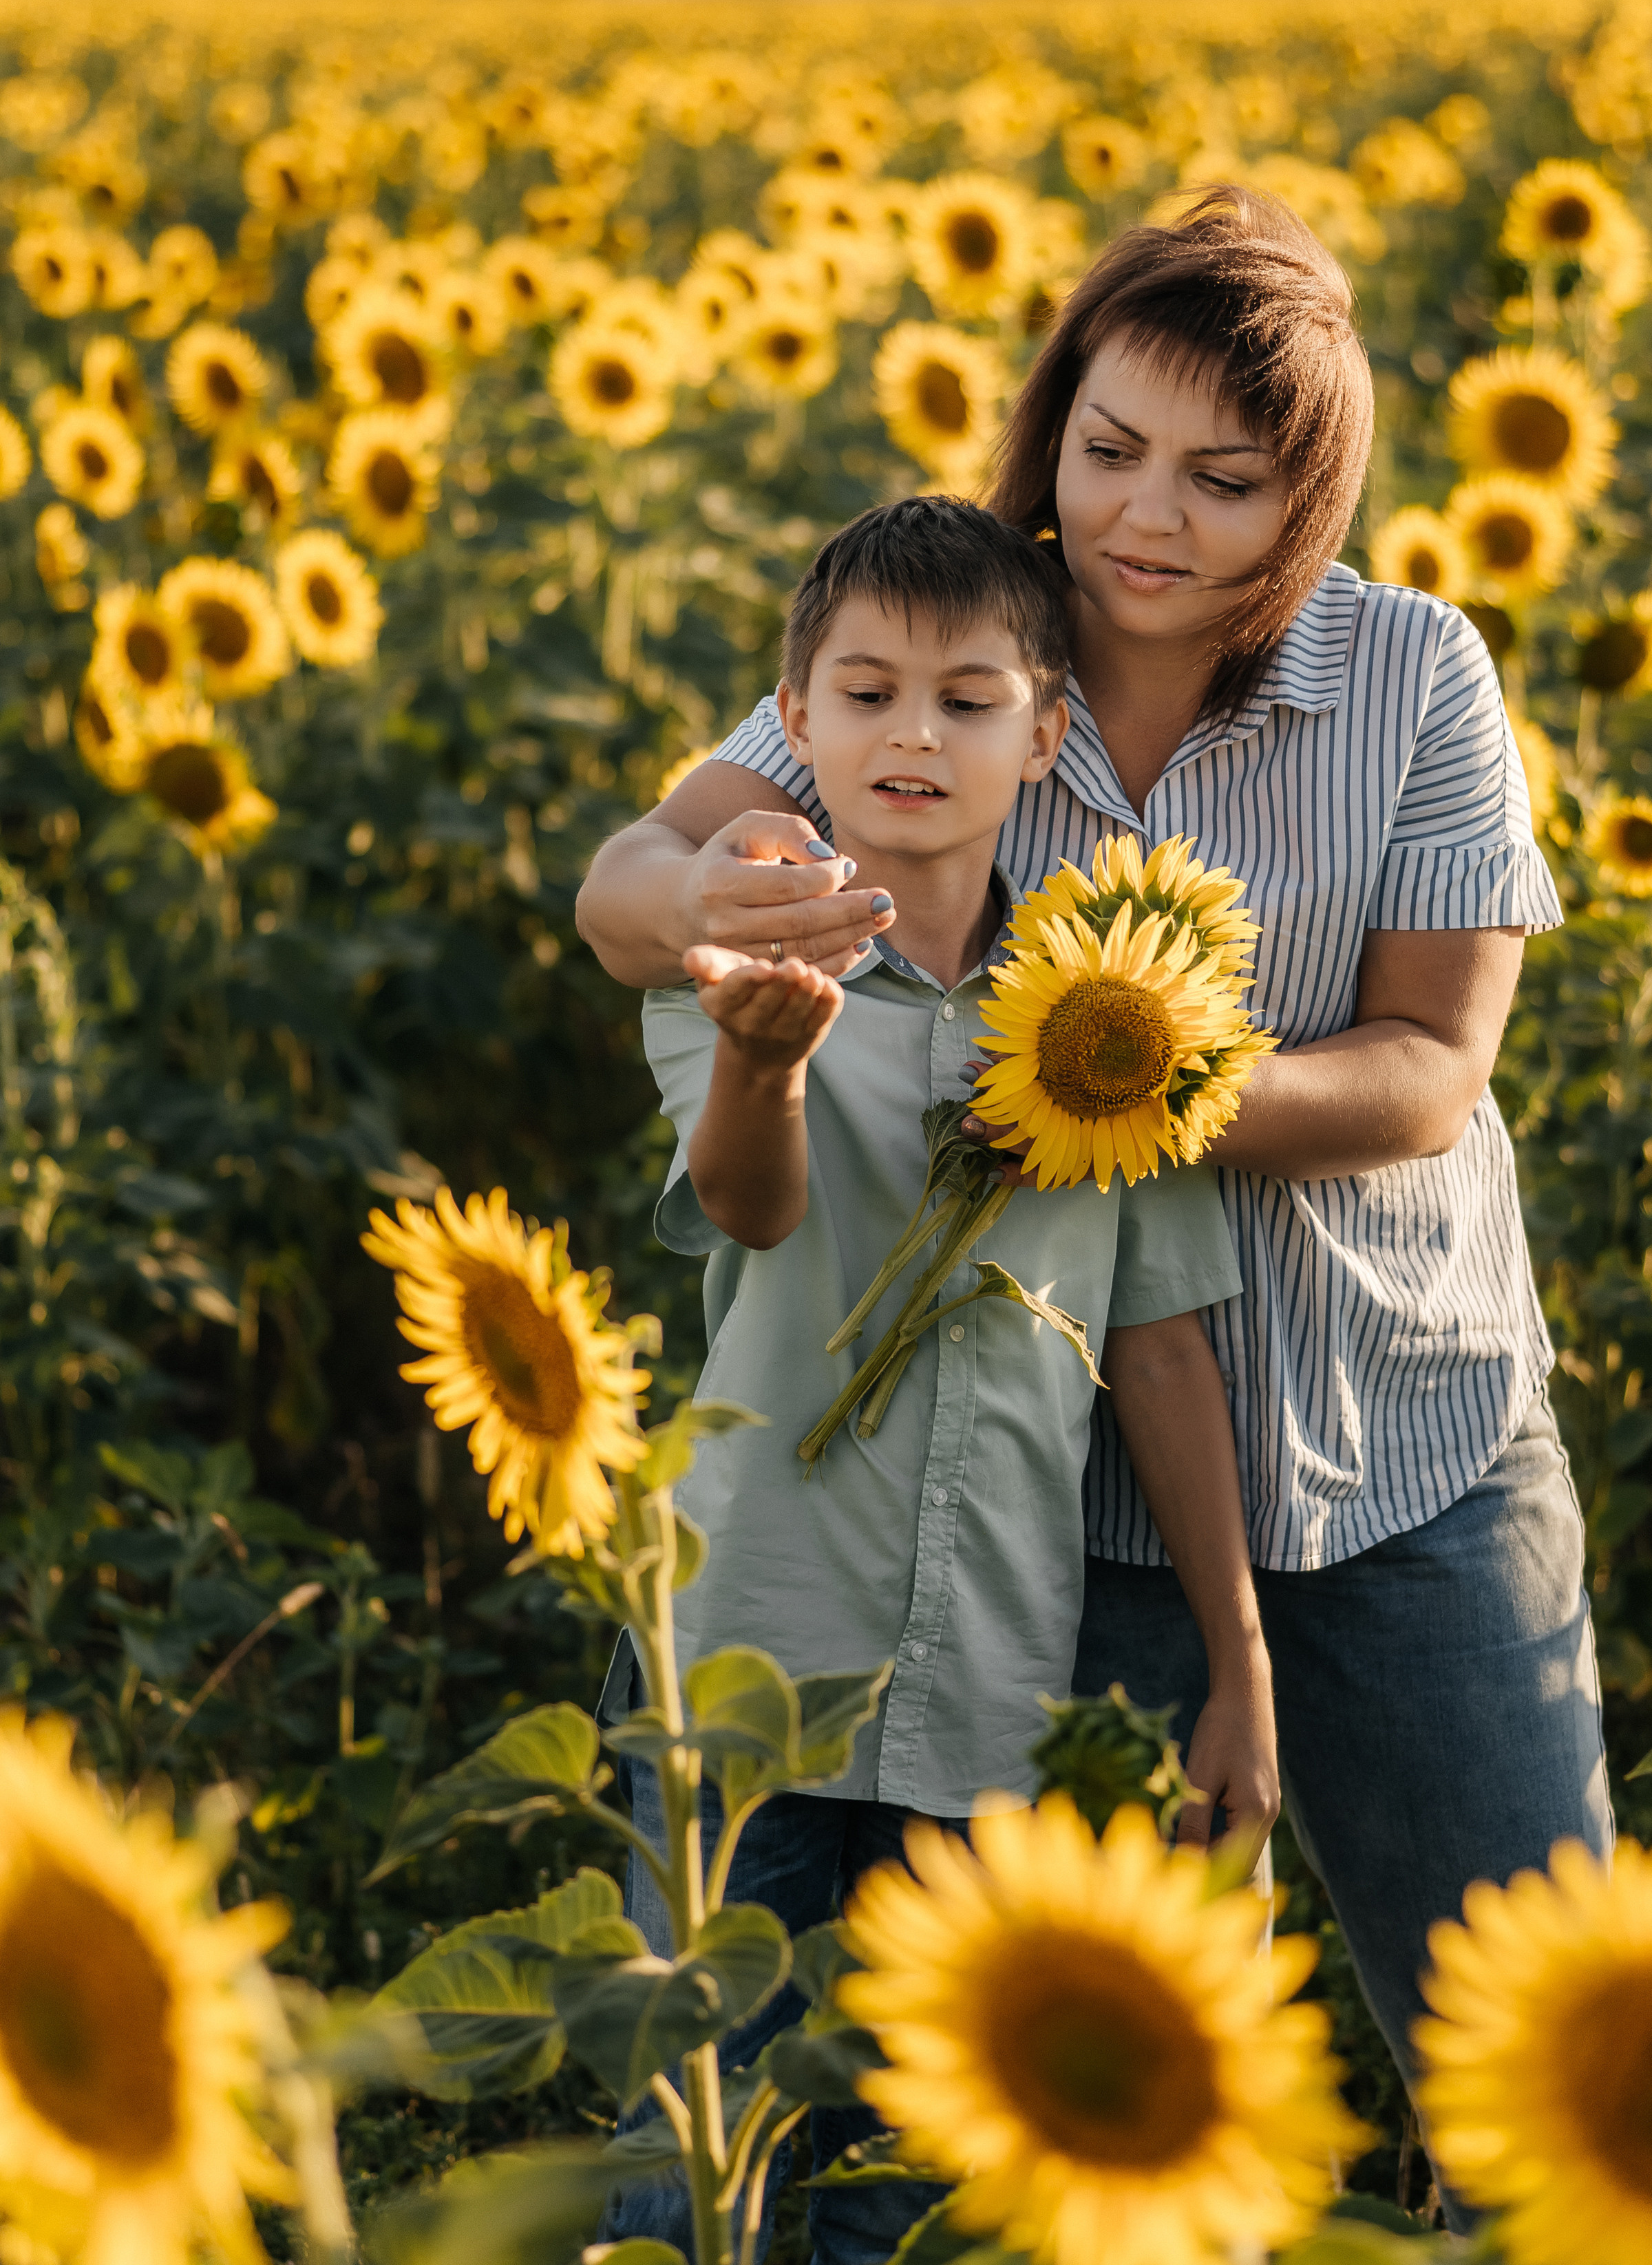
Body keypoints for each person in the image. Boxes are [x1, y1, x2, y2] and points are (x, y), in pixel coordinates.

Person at [576, 188, 1611, 2219]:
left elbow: (1430, 1070)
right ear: (1050, 424)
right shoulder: (968, 650)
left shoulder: (1414, 677)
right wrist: (711, 905)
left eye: (1228, 482)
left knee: (1560, 2063)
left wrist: (1110, 1078)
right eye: (1109, 448)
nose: (1151, 518)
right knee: (1041, 2117)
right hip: (1064, 1503)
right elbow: (632, 881)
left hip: (1405, 1436)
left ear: (1308, 494)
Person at [600, 494, 1278, 2265]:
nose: (915, 736)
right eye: (870, 694)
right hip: (749, 1653)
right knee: (694, 2157)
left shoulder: (1116, 1021)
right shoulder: (733, 952)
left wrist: (1237, 1651)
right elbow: (750, 1211)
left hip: (985, 1674)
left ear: (1045, 735)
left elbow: (1160, 1345)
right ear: (795, 725)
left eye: (968, 701)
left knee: (923, 2184)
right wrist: (766, 1062)